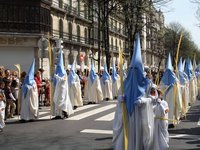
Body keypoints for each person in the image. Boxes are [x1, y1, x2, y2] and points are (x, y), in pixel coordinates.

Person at [52, 51, 74, 119]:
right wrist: (52, 79)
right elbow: (55, 80)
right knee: (57, 101)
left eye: (59, 67)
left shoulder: (64, 74)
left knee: (62, 101)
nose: (58, 69)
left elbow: (63, 80)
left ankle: (65, 113)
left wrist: (57, 77)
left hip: (63, 90)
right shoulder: (57, 73)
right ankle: (58, 114)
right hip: (57, 89)